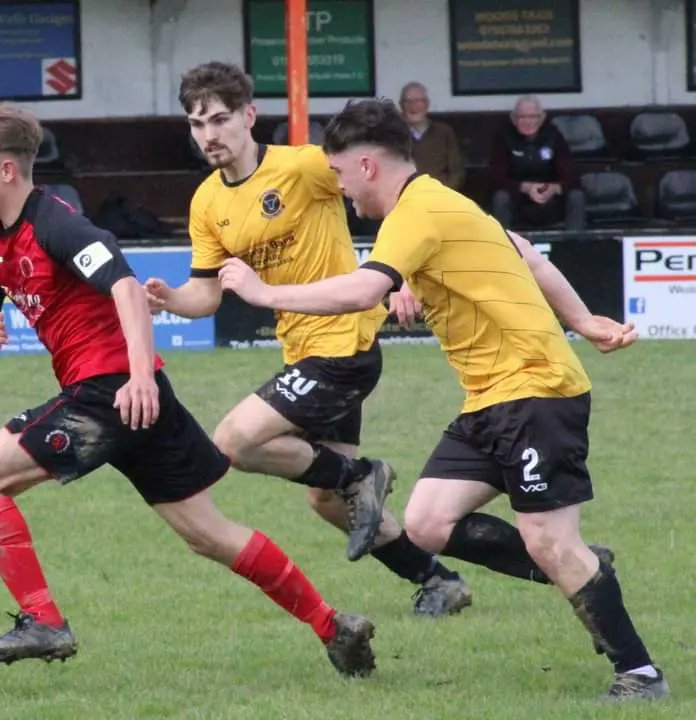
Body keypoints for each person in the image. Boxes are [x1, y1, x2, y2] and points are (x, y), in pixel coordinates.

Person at [217, 98, 668, 701]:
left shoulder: (416, 212)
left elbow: (363, 290)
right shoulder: (441, 205)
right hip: (488, 398)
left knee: (550, 540)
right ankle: (587, 574)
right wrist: (584, 321)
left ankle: (639, 672)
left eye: (343, 175)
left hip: (535, 388)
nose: (344, 190)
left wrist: (266, 291)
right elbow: (527, 254)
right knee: (428, 523)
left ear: (370, 165)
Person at [0, 102, 378, 677]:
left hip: (111, 393)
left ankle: (43, 621)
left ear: (5, 170)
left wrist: (140, 376)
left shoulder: (58, 223)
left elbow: (124, 286)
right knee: (209, 535)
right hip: (133, 398)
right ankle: (333, 625)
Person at [145, 61, 472, 617]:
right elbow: (206, 294)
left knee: (234, 441)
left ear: (249, 116)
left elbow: (394, 193)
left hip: (344, 345)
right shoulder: (207, 202)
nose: (210, 135)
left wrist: (403, 276)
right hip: (306, 352)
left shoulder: (300, 167)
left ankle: (362, 475)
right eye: (198, 124)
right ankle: (437, 580)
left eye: (221, 119)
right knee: (326, 501)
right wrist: (169, 299)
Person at [490, 95, 585, 231]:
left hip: (550, 200)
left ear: (542, 118)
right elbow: (496, 177)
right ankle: (504, 244)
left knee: (576, 196)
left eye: (532, 117)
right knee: (500, 197)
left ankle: (575, 244)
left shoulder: (554, 136)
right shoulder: (503, 137)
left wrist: (553, 188)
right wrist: (525, 188)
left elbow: (571, 176)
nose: (527, 121)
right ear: (513, 118)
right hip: (518, 200)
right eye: (522, 117)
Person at [399, 81, 465, 190]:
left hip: (439, 196)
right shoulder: (392, 135)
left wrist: (444, 192)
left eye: (418, 101)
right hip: (405, 198)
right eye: (408, 102)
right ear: (401, 105)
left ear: (427, 104)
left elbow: (456, 171)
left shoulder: (444, 132)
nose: (413, 106)